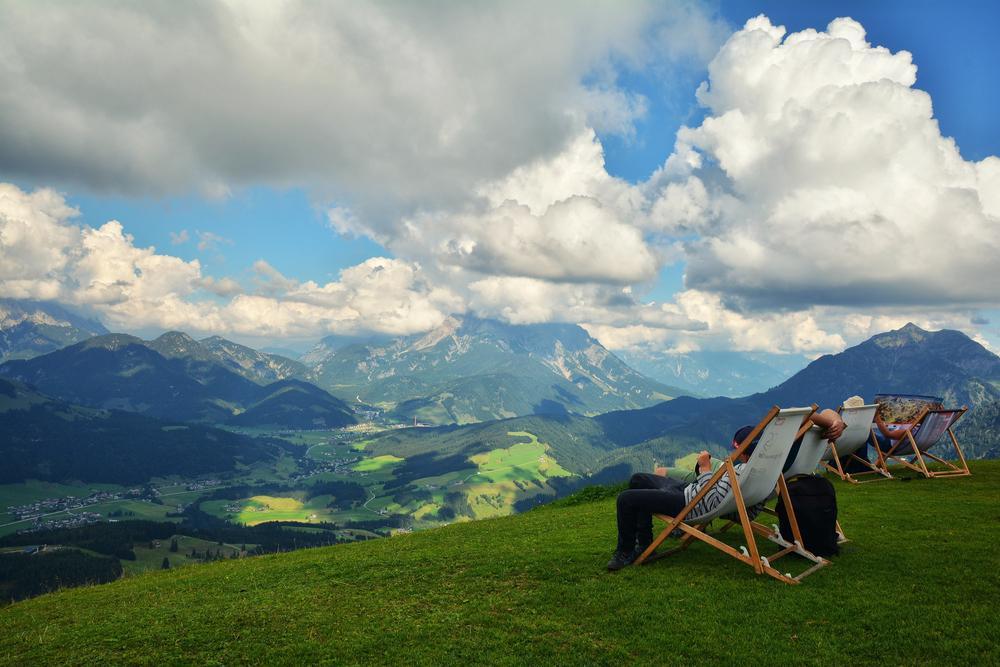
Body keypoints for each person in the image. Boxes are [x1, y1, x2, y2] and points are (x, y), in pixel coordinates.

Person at [607, 409, 846, 572]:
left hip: (691, 503)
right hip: (699, 494)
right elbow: (819, 414)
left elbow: (708, 498)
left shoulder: (744, 471)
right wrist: (835, 422)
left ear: (743, 451)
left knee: (627, 499)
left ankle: (625, 551)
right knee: (639, 478)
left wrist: (705, 468)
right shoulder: (771, 469)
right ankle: (645, 543)